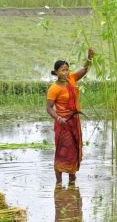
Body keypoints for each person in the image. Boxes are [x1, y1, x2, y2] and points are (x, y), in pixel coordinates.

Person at [46, 48, 94, 183]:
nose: (65, 72)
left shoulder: (72, 79)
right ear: (56, 72)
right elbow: (49, 108)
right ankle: (59, 182)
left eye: (67, 69)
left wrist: (89, 57)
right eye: (62, 70)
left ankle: (72, 180)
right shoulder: (54, 89)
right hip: (63, 123)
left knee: (74, 150)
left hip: (74, 122)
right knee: (62, 151)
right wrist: (58, 118)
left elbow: (84, 69)